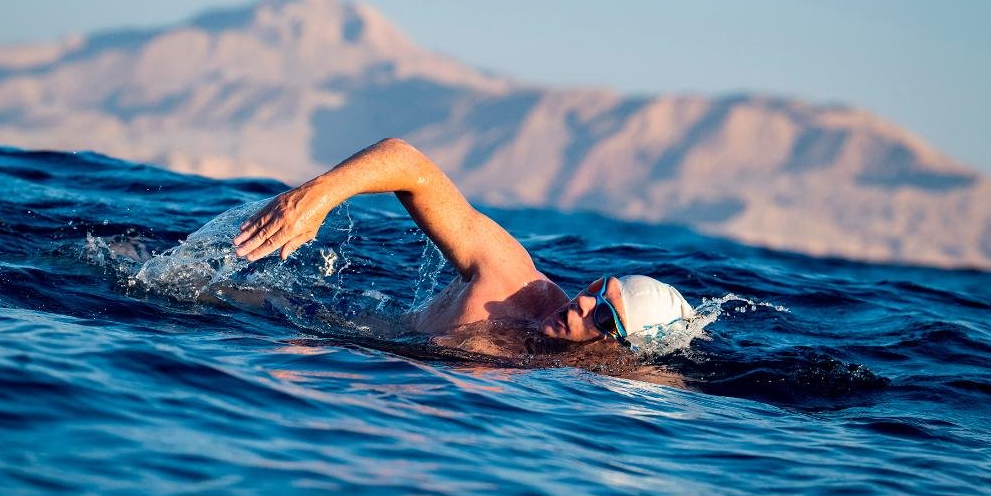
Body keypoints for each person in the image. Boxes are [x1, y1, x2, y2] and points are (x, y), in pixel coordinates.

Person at [232, 138, 694, 351]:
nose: (583, 303)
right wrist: (319, 195)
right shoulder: (511, 282)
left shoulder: (589, 380)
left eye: (604, 315)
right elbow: (407, 163)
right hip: (326, 331)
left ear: (623, 346)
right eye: (597, 287)